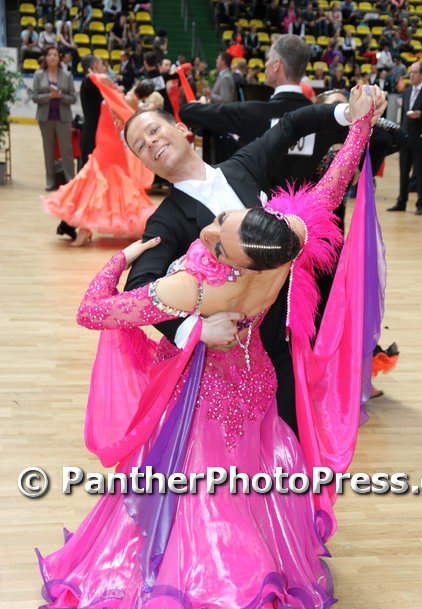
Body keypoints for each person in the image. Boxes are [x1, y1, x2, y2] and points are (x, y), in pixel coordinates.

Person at [35, 86, 376, 609]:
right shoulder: (284, 240)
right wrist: (360, 127)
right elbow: (330, 187)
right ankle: (259, 592)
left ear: (181, 129)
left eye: (220, 225)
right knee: (251, 488)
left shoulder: (197, 283)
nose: (215, 221)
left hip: (218, 393)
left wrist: (126, 268)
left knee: (211, 506)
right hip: (254, 383)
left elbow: (96, 310)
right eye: (140, 144)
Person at [123, 86, 387, 436]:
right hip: (233, 361)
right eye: (140, 146)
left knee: (294, 441)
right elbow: (139, 288)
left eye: (154, 130)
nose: (151, 142)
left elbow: (290, 125)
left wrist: (348, 115)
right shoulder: (165, 220)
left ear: (182, 129)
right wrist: (194, 330)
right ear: (145, 164)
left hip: (289, 338)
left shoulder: (243, 166)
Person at [179, 35, 355, 189]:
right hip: (305, 212)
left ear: (277, 65)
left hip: (259, 212)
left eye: (269, 59)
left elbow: (188, 112)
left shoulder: (252, 113)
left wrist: (199, 104)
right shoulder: (323, 120)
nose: (266, 65)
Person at [43, 73, 155, 246]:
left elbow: (130, 118)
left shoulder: (122, 98)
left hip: (111, 144)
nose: (108, 80)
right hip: (103, 141)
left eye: (107, 79)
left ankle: (128, 225)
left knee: (103, 181)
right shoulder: (109, 95)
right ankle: (85, 228)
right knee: (94, 181)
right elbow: (93, 79)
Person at [388, 61, 422, 215]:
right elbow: (404, 115)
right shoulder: (407, 91)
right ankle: (401, 201)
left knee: (421, 173)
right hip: (406, 138)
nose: (411, 75)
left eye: (415, 72)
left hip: (421, 138)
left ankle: (421, 204)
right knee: (403, 172)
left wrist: (420, 114)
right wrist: (399, 134)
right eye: (410, 72)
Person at [32, 45, 76, 191]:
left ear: (59, 58)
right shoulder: (39, 74)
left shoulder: (67, 75)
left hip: (64, 118)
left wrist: (60, 96)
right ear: (45, 57)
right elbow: (35, 97)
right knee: (48, 150)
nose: (52, 57)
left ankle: (70, 181)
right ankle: (50, 181)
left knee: (66, 150)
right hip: (45, 118)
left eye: (55, 55)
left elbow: (73, 98)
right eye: (49, 54)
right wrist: (49, 96)